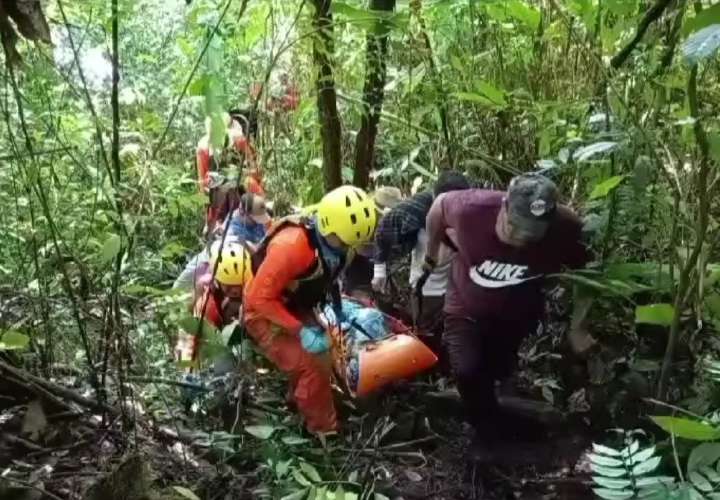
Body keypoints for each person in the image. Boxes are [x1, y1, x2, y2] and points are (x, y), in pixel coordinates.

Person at [423, 173, 590, 462]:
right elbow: (438, 206)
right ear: (503, 207)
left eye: (532, 233)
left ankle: (500, 408)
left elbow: (588, 276)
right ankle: (487, 437)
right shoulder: (471, 210)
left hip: (517, 310)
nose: (521, 238)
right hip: (465, 301)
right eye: (514, 227)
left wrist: (579, 326)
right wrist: (431, 252)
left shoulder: (565, 227)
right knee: (465, 369)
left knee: (497, 367)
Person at [243, 185, 377, 435]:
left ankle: (299, 400)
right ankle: (323, 431)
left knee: (327, 350)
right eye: (344, 241)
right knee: (311, 365)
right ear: (327, 227)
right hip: (262, 311)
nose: (347, 246)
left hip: (293, 303)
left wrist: (336, 309)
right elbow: (257, 298)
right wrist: (299, 330)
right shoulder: (291, 247)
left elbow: (327, 276)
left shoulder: (334, 244)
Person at [371, 171, 470, 352]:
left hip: (460, 285)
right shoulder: (417, 208)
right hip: (427, 286)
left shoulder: (473, 208)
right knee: (429, 338)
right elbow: (385, 230)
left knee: (457, 338)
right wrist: (379, 271)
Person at [175, 240, 253, 366]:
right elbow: (186, 329)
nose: (235, 291)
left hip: (243, 332)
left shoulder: (254, 281)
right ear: (216, 279)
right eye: (229, 285)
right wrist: (185, 364)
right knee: (223, 366)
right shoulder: (205, 298)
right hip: (214, 334)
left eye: (239, 285)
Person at [342, 186, 403, 299]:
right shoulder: (361, 221)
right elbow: (357, 249)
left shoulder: (388, 223)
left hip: (374, 269)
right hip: (356, 268)